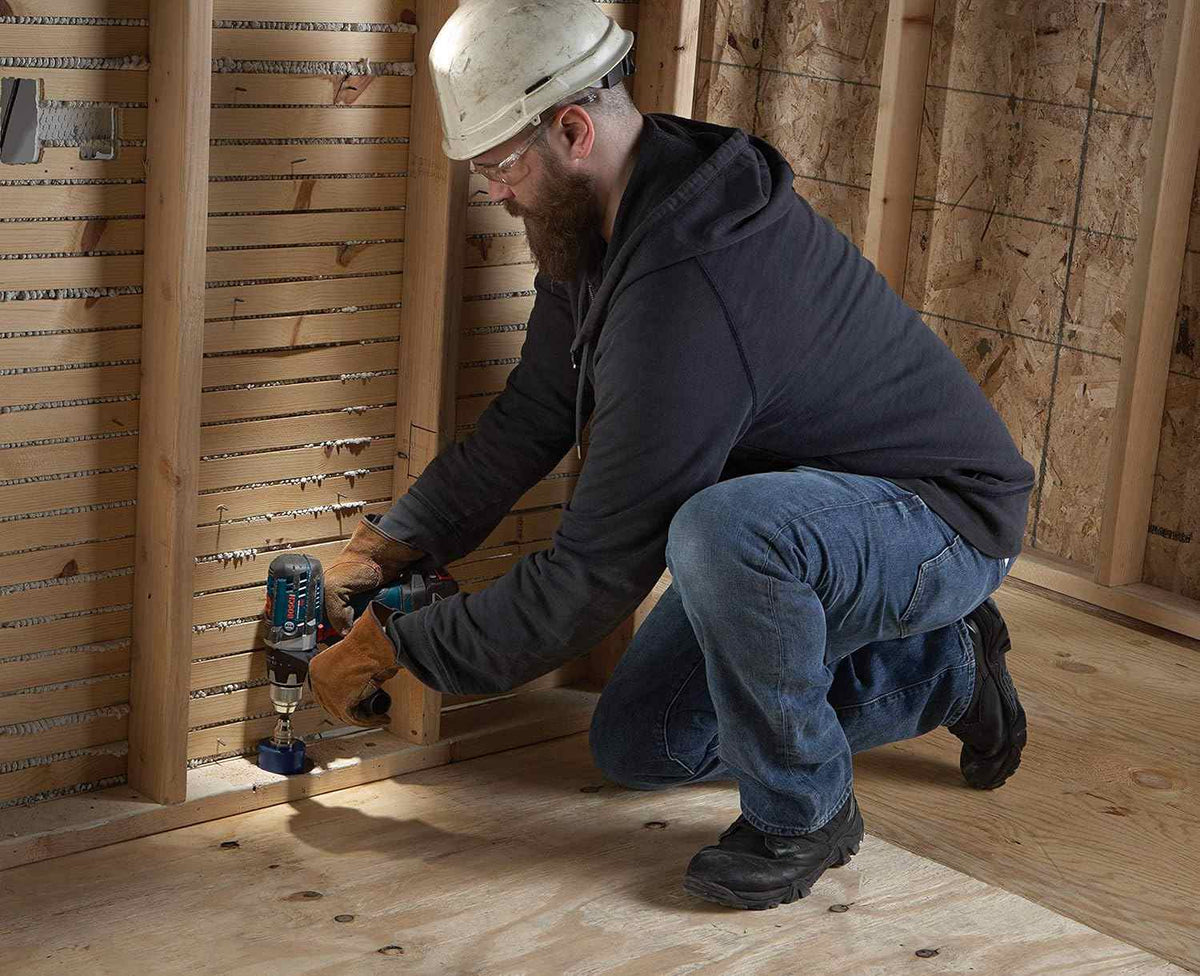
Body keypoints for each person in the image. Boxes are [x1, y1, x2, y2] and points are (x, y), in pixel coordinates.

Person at [308, 0, 1032, 910]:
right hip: (802, 522)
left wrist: (401, 646)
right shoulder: (609, 219)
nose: (494, 192)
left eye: (499, 167)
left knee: (723, 532)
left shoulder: (687, 287)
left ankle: (805, 813)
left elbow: (595, 574)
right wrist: (395, 546)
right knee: (643, 744)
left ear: (573, 128)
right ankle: (946, 667)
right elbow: (535, 410)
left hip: (940, 518)